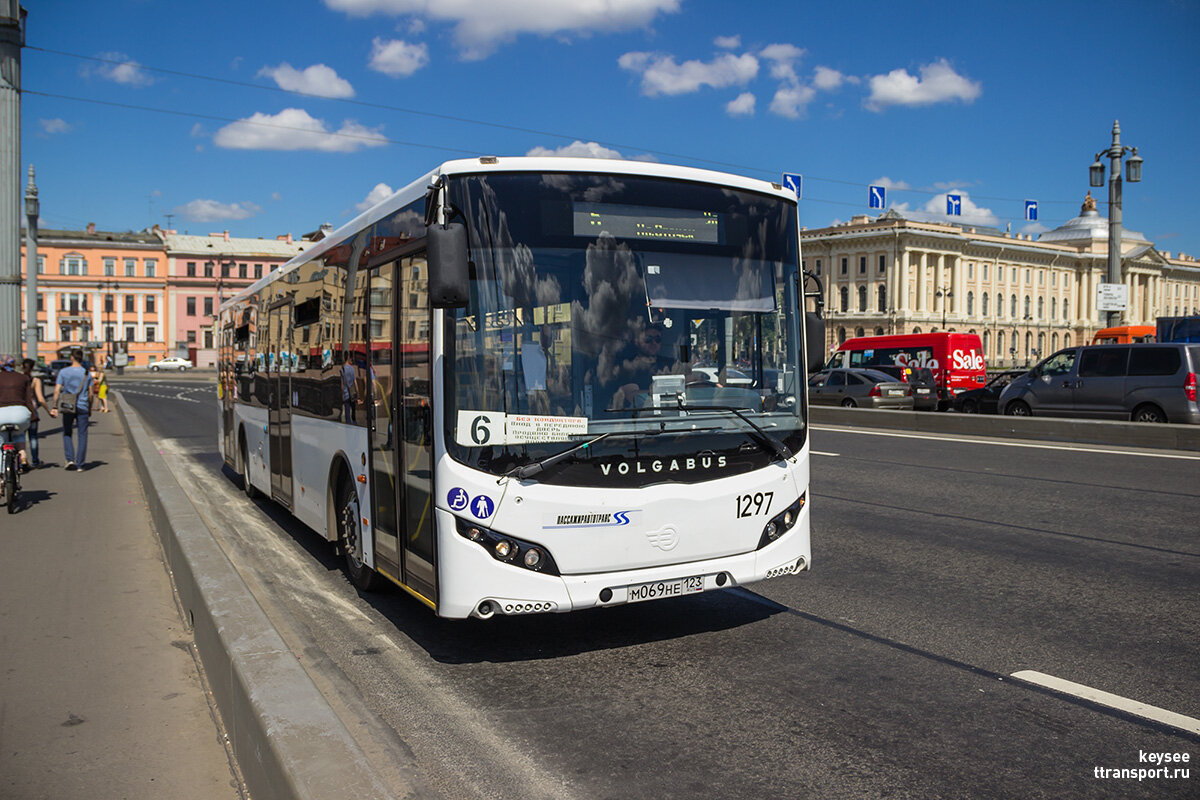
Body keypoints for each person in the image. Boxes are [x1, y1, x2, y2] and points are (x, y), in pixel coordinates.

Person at [607, 322, 678, 409]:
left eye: (657, 339)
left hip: (670, 416)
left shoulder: (671, 364)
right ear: (636, 341)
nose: (654, 343)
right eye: (648, 339)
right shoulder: (625, 367)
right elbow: (627, 396)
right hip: (636, 419)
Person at [50, 348, 93, 471]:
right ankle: (80, 464)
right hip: (83, 406)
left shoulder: (63, 372)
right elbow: (91, 394)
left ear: (72, 358)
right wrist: (90, 407)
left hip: (68, 405)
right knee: (82, 435)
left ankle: (69, 460)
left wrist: (54, 406)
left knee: (67, 432)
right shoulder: (86, 373)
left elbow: (57, 391)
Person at [0, 356, 34, 471]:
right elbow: (28, 400)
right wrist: (33, 416)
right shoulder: (23, 378)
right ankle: (23, 454)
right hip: (20, 413)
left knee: (1, 440)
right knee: (19, 431)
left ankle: (0, 478)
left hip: (1, 414)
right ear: (14, 364)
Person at [21, 358, 51, 468]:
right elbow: (41, 399)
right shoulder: (35, 381)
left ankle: (21, 460)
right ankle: (35, 461)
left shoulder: (18, 379)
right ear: (33, 368)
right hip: (32, 411)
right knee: (33, 437)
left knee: (20, 437)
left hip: (20, 410)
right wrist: (48, 411)